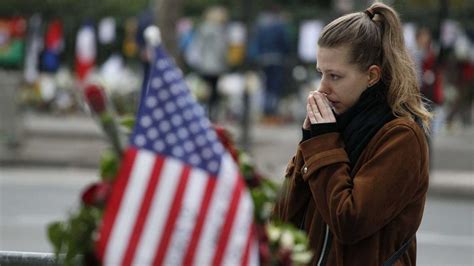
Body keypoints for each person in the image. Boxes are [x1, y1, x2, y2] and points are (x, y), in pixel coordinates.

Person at [273, 2, 431, 265]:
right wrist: (307, 145)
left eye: (335, 76)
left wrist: (323, 144)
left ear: (371, 76)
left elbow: (348, 222)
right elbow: (281, 219)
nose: (322, 88)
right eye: (321, 73)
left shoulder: (401, 137)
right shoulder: (334, 126)